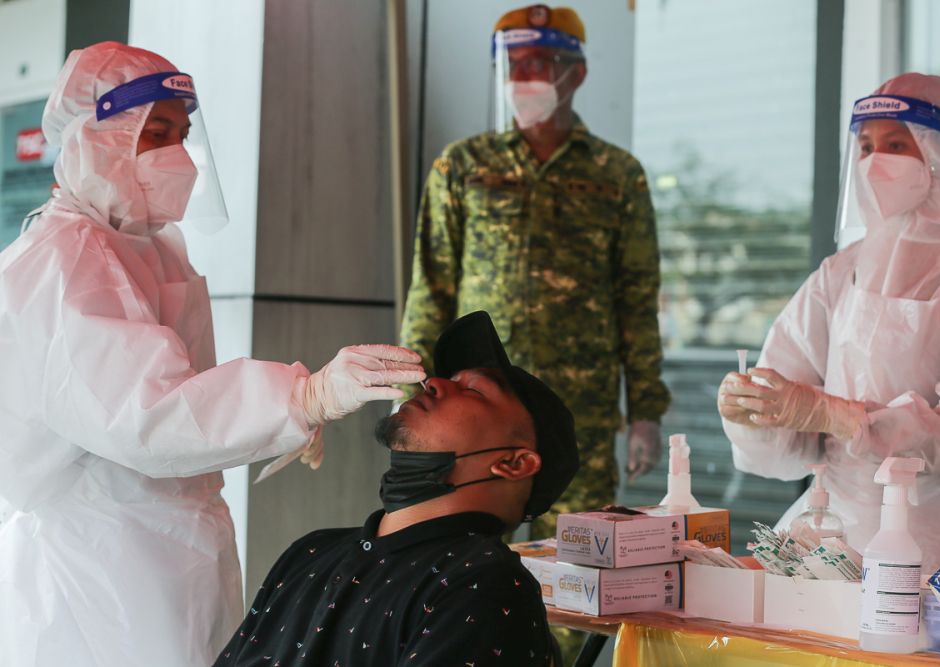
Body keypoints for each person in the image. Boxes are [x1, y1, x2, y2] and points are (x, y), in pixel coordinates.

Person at [0, 42, 425, 667]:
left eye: (183, 133)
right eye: (155, 134)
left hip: (171, 537)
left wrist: (282, 415)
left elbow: (179, 383)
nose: (176, 154)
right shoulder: (64, 260)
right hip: (102, 560)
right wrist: (301, 399)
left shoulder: (150, 245)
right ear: (97, 137)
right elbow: (148, 413)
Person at [400, 4, 670, 542]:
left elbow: (637, 300)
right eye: (513, 65)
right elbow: (431, 287)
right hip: (474, 414)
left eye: (539, 64)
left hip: (580, 412)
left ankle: (564, 634)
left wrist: (645, 411)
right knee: (457, 550)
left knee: (582, 561)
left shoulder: (617, 175)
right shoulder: (463, 166)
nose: (523, 78)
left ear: (577, 73)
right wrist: (410, 391)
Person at [718, 73, 940, 570]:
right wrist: (752, 413)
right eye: (866, 145)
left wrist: (843, 417)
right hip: (824, 528)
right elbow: (786, 424)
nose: (874, 162)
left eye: (896, 144)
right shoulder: (841, 270)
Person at [214, 311, 578, 666]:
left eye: (473, 390)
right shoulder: (310, 553)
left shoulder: (482, 583)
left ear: (514, 463)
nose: (435, 383)